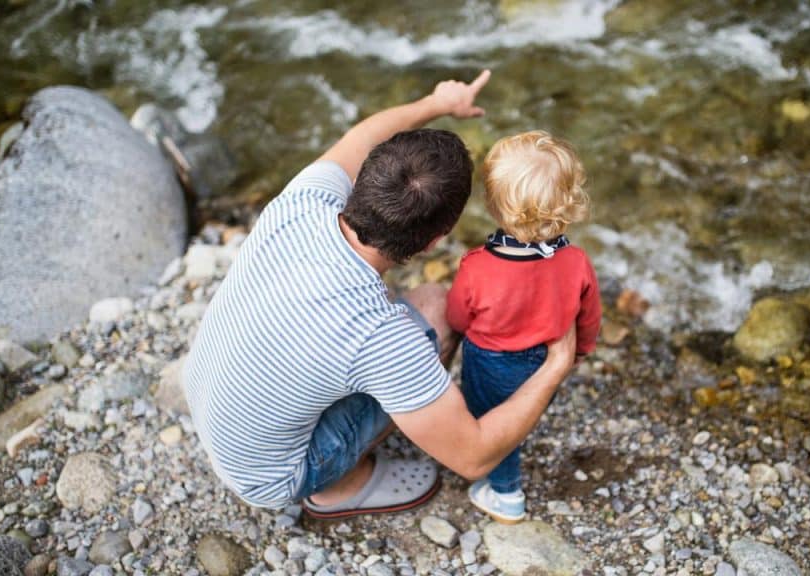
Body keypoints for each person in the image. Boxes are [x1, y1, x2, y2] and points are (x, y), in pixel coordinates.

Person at [183, 71, 579, 520]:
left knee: (386, 338)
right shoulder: (379, 335)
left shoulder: (302, 201)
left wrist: (437, 103)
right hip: (269, 476)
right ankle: (340, 488)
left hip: (206, 398)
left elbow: (362, 135)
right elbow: (475, 456)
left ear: (367, 175)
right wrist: (555, 366)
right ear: (434, 242)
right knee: (437, 309)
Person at [446, 130, 601, 523]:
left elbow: (457, 318)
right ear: (568, 204)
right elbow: (589, 317)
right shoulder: (577, 262)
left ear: (494, 206)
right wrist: (580, 352)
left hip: (491, 361)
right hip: (544, 361)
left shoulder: (478, 266)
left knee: (497, 424)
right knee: (521, 414)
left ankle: (506, 494)